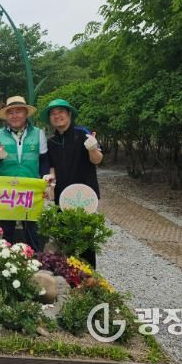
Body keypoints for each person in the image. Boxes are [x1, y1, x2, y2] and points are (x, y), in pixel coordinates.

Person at [41, 98, 103, 267]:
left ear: (69, 114)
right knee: (65, 241)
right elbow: (52, 168)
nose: (57, 116)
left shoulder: (82, 133)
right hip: (63, 197)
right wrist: (50, 183)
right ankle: (70, 276)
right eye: (53, 114)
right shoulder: (51, 142)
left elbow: (97, 160)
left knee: (85, 243)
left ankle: (89, 277)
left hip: (85, 195)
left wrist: (92, 148)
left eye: (61, 112)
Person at [0, 96, 49, 250]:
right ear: (6, 116)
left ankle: (35, 257)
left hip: (30, 189)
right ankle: (4, 259)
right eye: (11, 112)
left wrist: (45, 180)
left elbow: (44, 160)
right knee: (6, 229)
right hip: (7, 190)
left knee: (32, 229)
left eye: (18, 112)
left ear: (26, 114)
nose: (15, 116)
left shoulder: (38, 133)